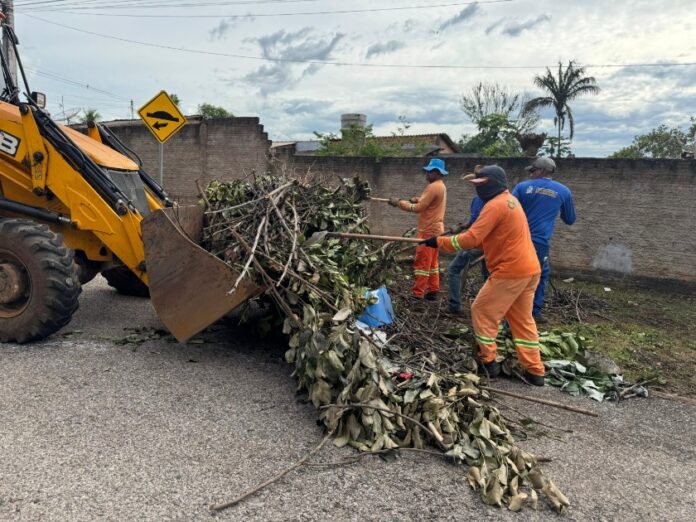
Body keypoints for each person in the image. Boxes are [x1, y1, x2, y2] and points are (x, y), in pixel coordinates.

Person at [421, 165, 544, 386]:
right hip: (530, 269)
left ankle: (489, 362)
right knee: (522, 320)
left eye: (481, 185)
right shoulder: (511, 201)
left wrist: (438, 241)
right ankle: (535, 371)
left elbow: (470, 240)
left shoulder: (495, 206)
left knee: (482, 310)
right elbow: (484, 238)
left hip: (511, 271)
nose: (478, 190)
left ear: (493, 184)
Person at [512, 157, 576, 323]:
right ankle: (533, 312)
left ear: (540, 171)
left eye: (532, 171)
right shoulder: (563, 191)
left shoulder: (521, 187)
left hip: (517, 240)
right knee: (539, 274)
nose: (531, 174)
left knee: (516, 275)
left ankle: (512, 315)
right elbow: (570, 219)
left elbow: (508, 211)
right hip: (540, 243)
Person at [389, 158, 447, 300]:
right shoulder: (441, 186)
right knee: (432, 263)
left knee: (422, 262)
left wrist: (398, 203)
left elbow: (418, 208)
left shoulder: (433, 187)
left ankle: (417, 293)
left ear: (437, 172)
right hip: (437, 230)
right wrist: (417, 199)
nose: (426, 174)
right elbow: (425, 202)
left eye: (429, 171)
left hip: (428, 231)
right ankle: (433, 290)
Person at [446, 195, 484, 314]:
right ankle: (492, 308)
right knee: (489, 274)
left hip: (476, 243)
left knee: (454, 269)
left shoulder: (480, 199)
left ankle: (454, 306)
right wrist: (461, 227)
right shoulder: (500, 199)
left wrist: (461, 229)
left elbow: (475, 221)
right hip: (491, 244)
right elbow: (473, 220)